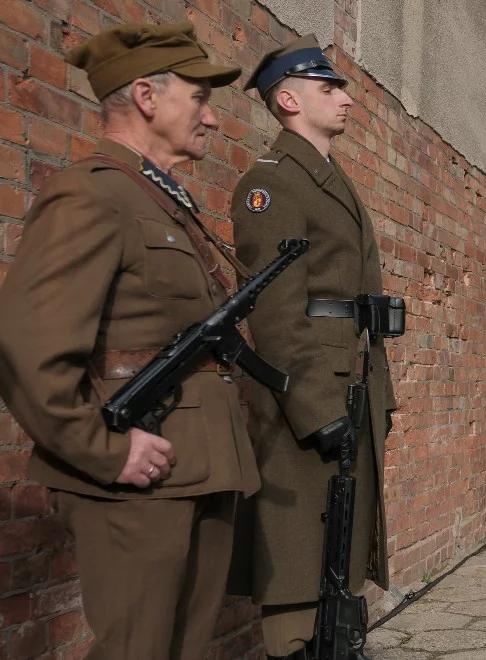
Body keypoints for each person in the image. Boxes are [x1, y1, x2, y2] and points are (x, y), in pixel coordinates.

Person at [0, 23, 258, 659]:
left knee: (186, 650)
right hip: (138, 478)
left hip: (199, 465)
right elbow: (26, 347)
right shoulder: (91, 193)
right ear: (146, 95)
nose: (213, 120)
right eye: (200, 99)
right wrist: (102, 449)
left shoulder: (163, 201)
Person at [231, 36, 398, 657]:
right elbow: (274, 311)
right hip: (308, 395)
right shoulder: (271, 183)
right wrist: (318, 408)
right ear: (289, 99)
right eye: (329, 88)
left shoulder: (330, 178)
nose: (346, 98)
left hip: (348, 379)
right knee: (301, 553)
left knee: (342, 546)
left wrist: (379, 389)